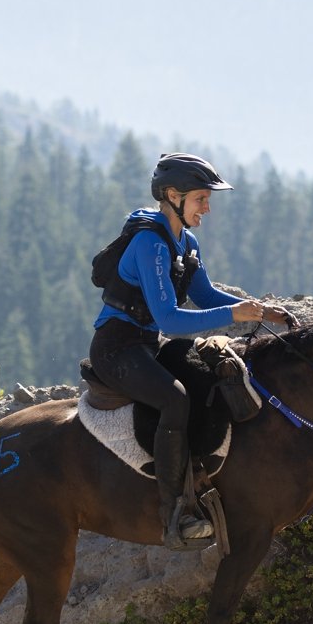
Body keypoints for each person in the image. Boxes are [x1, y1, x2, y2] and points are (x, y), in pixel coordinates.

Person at [89, 152, 294, 548]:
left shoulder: (188, 240)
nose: (208, 208)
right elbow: (169, 319)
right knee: (175, 400)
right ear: (172, 195)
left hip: (146, 344)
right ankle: (175, 511)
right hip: (117, 348)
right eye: (201, 198)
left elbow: (203, 295)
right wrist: (235, 314)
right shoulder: (150, 244)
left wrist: (259, 308)